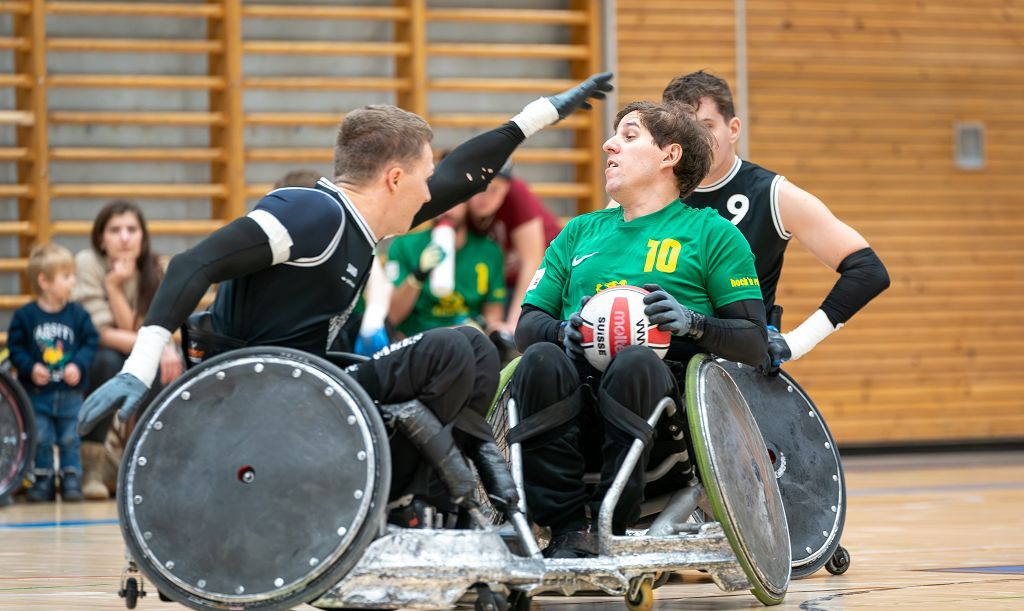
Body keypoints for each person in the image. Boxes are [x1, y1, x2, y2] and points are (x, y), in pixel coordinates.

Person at [77, 73, 614, 518]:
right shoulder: (310, 213)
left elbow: (460, 177)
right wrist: (139, 367)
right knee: (451, 348)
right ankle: (436, 495)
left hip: (311, 389)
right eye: (423, 178)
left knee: (474, 347)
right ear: (395, 179)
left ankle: (440, 500)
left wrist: (539, 115)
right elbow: (192, 264)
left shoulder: (360, 223)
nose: (433, 192)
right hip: (257, 401)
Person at [511, 101, 768, 557]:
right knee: (540, 358)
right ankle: (566, 531)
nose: (609, 145)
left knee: (635, 361)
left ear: (670, 155)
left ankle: (611, 526)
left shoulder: (712, 234)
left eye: (628, 136)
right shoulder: (578, 232)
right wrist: (561, 332)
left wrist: (693, 323)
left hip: (662, 423)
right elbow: (528, 325)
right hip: (574, 408)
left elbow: (753, 342)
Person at [663, 71, 890, 371]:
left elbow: (868, 271)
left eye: (707, 126)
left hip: (736, 372)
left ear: (733, 129)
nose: (697, 140)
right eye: (686, 129)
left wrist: (797, 342)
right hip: (662, 363)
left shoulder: (771, 193)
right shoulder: (652, 190)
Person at [72, 200, 184, 500]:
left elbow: (148, 325)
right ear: (101, 238)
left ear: (143, 236)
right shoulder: (88, 263)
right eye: (115, 230)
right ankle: (92, 467)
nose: (124, 237)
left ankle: (149, 462)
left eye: (132, 230)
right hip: (94, 353)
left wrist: (160, 347)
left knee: (163, 367)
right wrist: (113, 285)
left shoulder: (155, 268)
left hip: (135, 348)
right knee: (107, 361)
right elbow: (101, 332)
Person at [8, 244, 99, 502]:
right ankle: (43, 479)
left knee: (70, 437)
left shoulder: (78, 315)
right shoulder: (25, 316)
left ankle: (71, 479)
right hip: (37, 395)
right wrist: (30, 367)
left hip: (70, 394)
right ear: (44, 281)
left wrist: (77, 365)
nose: (73, 282)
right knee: (42, 437)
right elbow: (15, 348)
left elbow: (91, 342)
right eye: (66, 276)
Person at [466, 160, 561, 331]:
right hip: (500, 284)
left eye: (494, 190)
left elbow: (532, 262)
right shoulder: (461, 202)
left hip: (545, 280)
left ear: (506, 188)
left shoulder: (517, 194)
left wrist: (514, 324)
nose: (484, 197)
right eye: (480, 188)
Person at [386, 202, 506, 337]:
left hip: (466, 338)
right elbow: (392, 317)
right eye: (442, 199)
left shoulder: (489, 252)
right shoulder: (404, 246)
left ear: (468, 203)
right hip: (417, 337)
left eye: (456, 201)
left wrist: (480, 326)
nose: (447, 210)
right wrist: (418, 274)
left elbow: (493, 313)